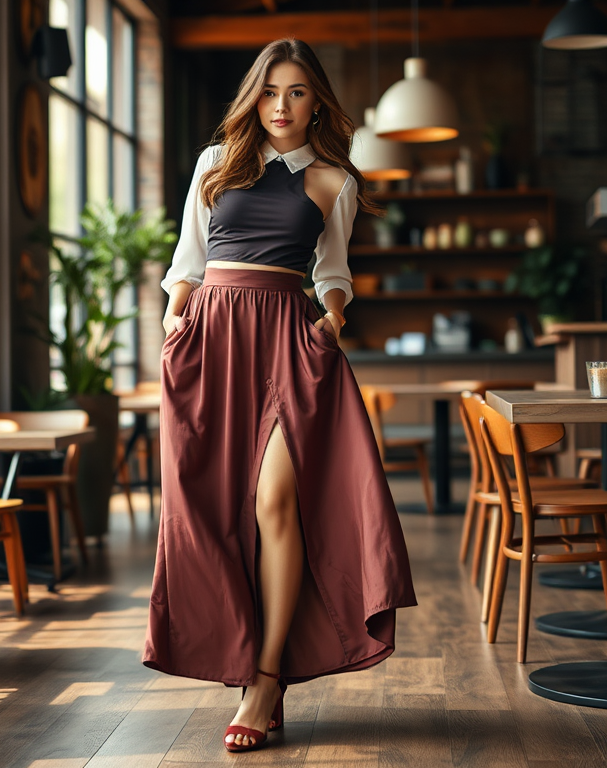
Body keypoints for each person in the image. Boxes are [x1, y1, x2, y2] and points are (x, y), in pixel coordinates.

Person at [142, 38, 416, 753]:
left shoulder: (333, 181)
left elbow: (335, 270)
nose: (281, 107)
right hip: (211, 341)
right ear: (252, 97)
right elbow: (189, 258)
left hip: (291, 342)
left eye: (296, 93)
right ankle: (242, 657)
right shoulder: (215, 164)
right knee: (209, 508)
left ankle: (265, 681)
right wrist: (174, 313)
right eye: (269, 92)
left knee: (275, 503)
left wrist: (333, 314)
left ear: (317, 99)